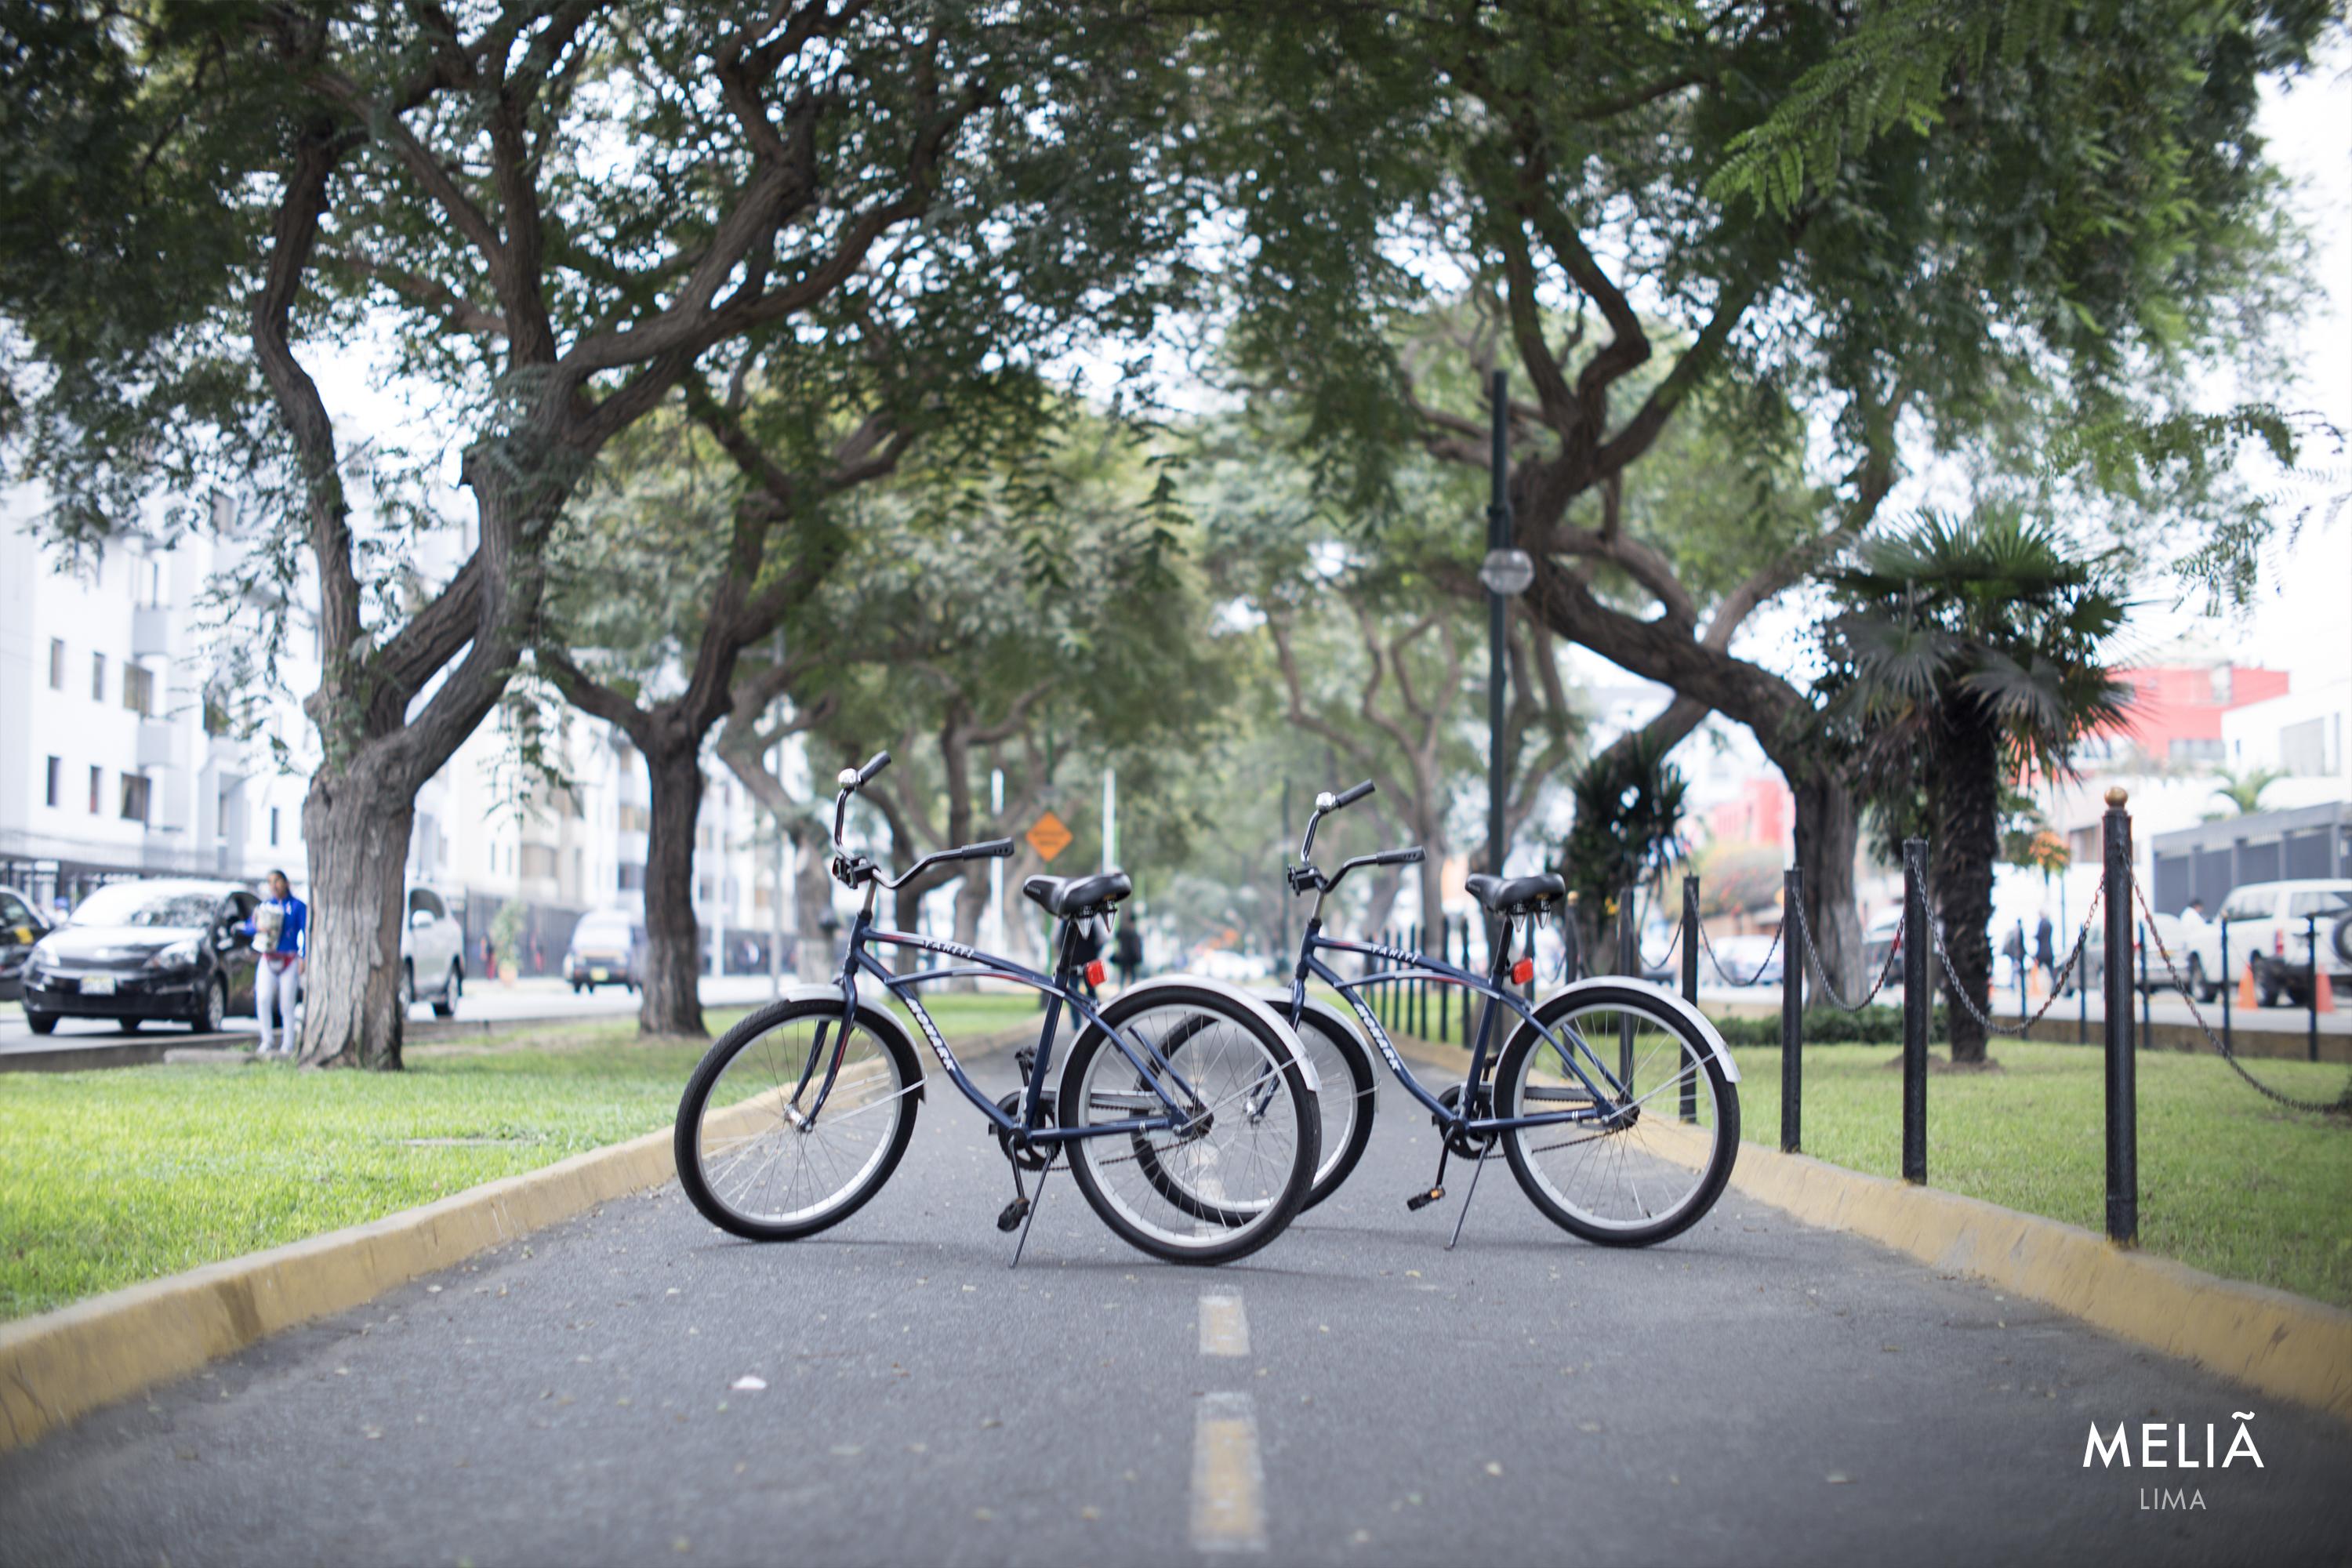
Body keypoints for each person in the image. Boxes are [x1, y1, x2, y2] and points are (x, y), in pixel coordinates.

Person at [239, 869, 307, 1058]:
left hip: (289, 958)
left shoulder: (298, 907)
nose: (274, 886)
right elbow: (248, 926)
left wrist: (303, 956)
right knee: (263, 998)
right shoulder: (265, 907)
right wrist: (257, 927)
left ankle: (288, 1044)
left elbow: (304, 932)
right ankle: (267, 1040)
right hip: (268, 957)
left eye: (277, 881)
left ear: (285, 883)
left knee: (287, 1003)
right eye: (270, 882)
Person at [1113, 920, 1144, 990]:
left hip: (1128, 959)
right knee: (1129, 977)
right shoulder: (1133, 934)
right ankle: (1130, 990)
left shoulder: (1129, 934)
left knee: (1127, 977)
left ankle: (1128, 990)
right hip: (1128, 959)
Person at [2002, 920, 2028, 996]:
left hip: (2015, 954)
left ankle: (2015, 986)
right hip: (2016, 954)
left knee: (2015, 970)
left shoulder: (2015, 931)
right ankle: (2014, 986)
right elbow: (2018, 943)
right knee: (2016, 970)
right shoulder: (2018, 931)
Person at [2033, 910, 2056, 991]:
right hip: (2049, 950)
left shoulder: (2041, 924)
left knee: (2036, 968)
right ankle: (2054, 984)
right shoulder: (2049, 924)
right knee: (2051, 970)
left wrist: (2034, 937)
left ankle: (2035, 987)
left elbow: (2039, 936)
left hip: (2042, 951)